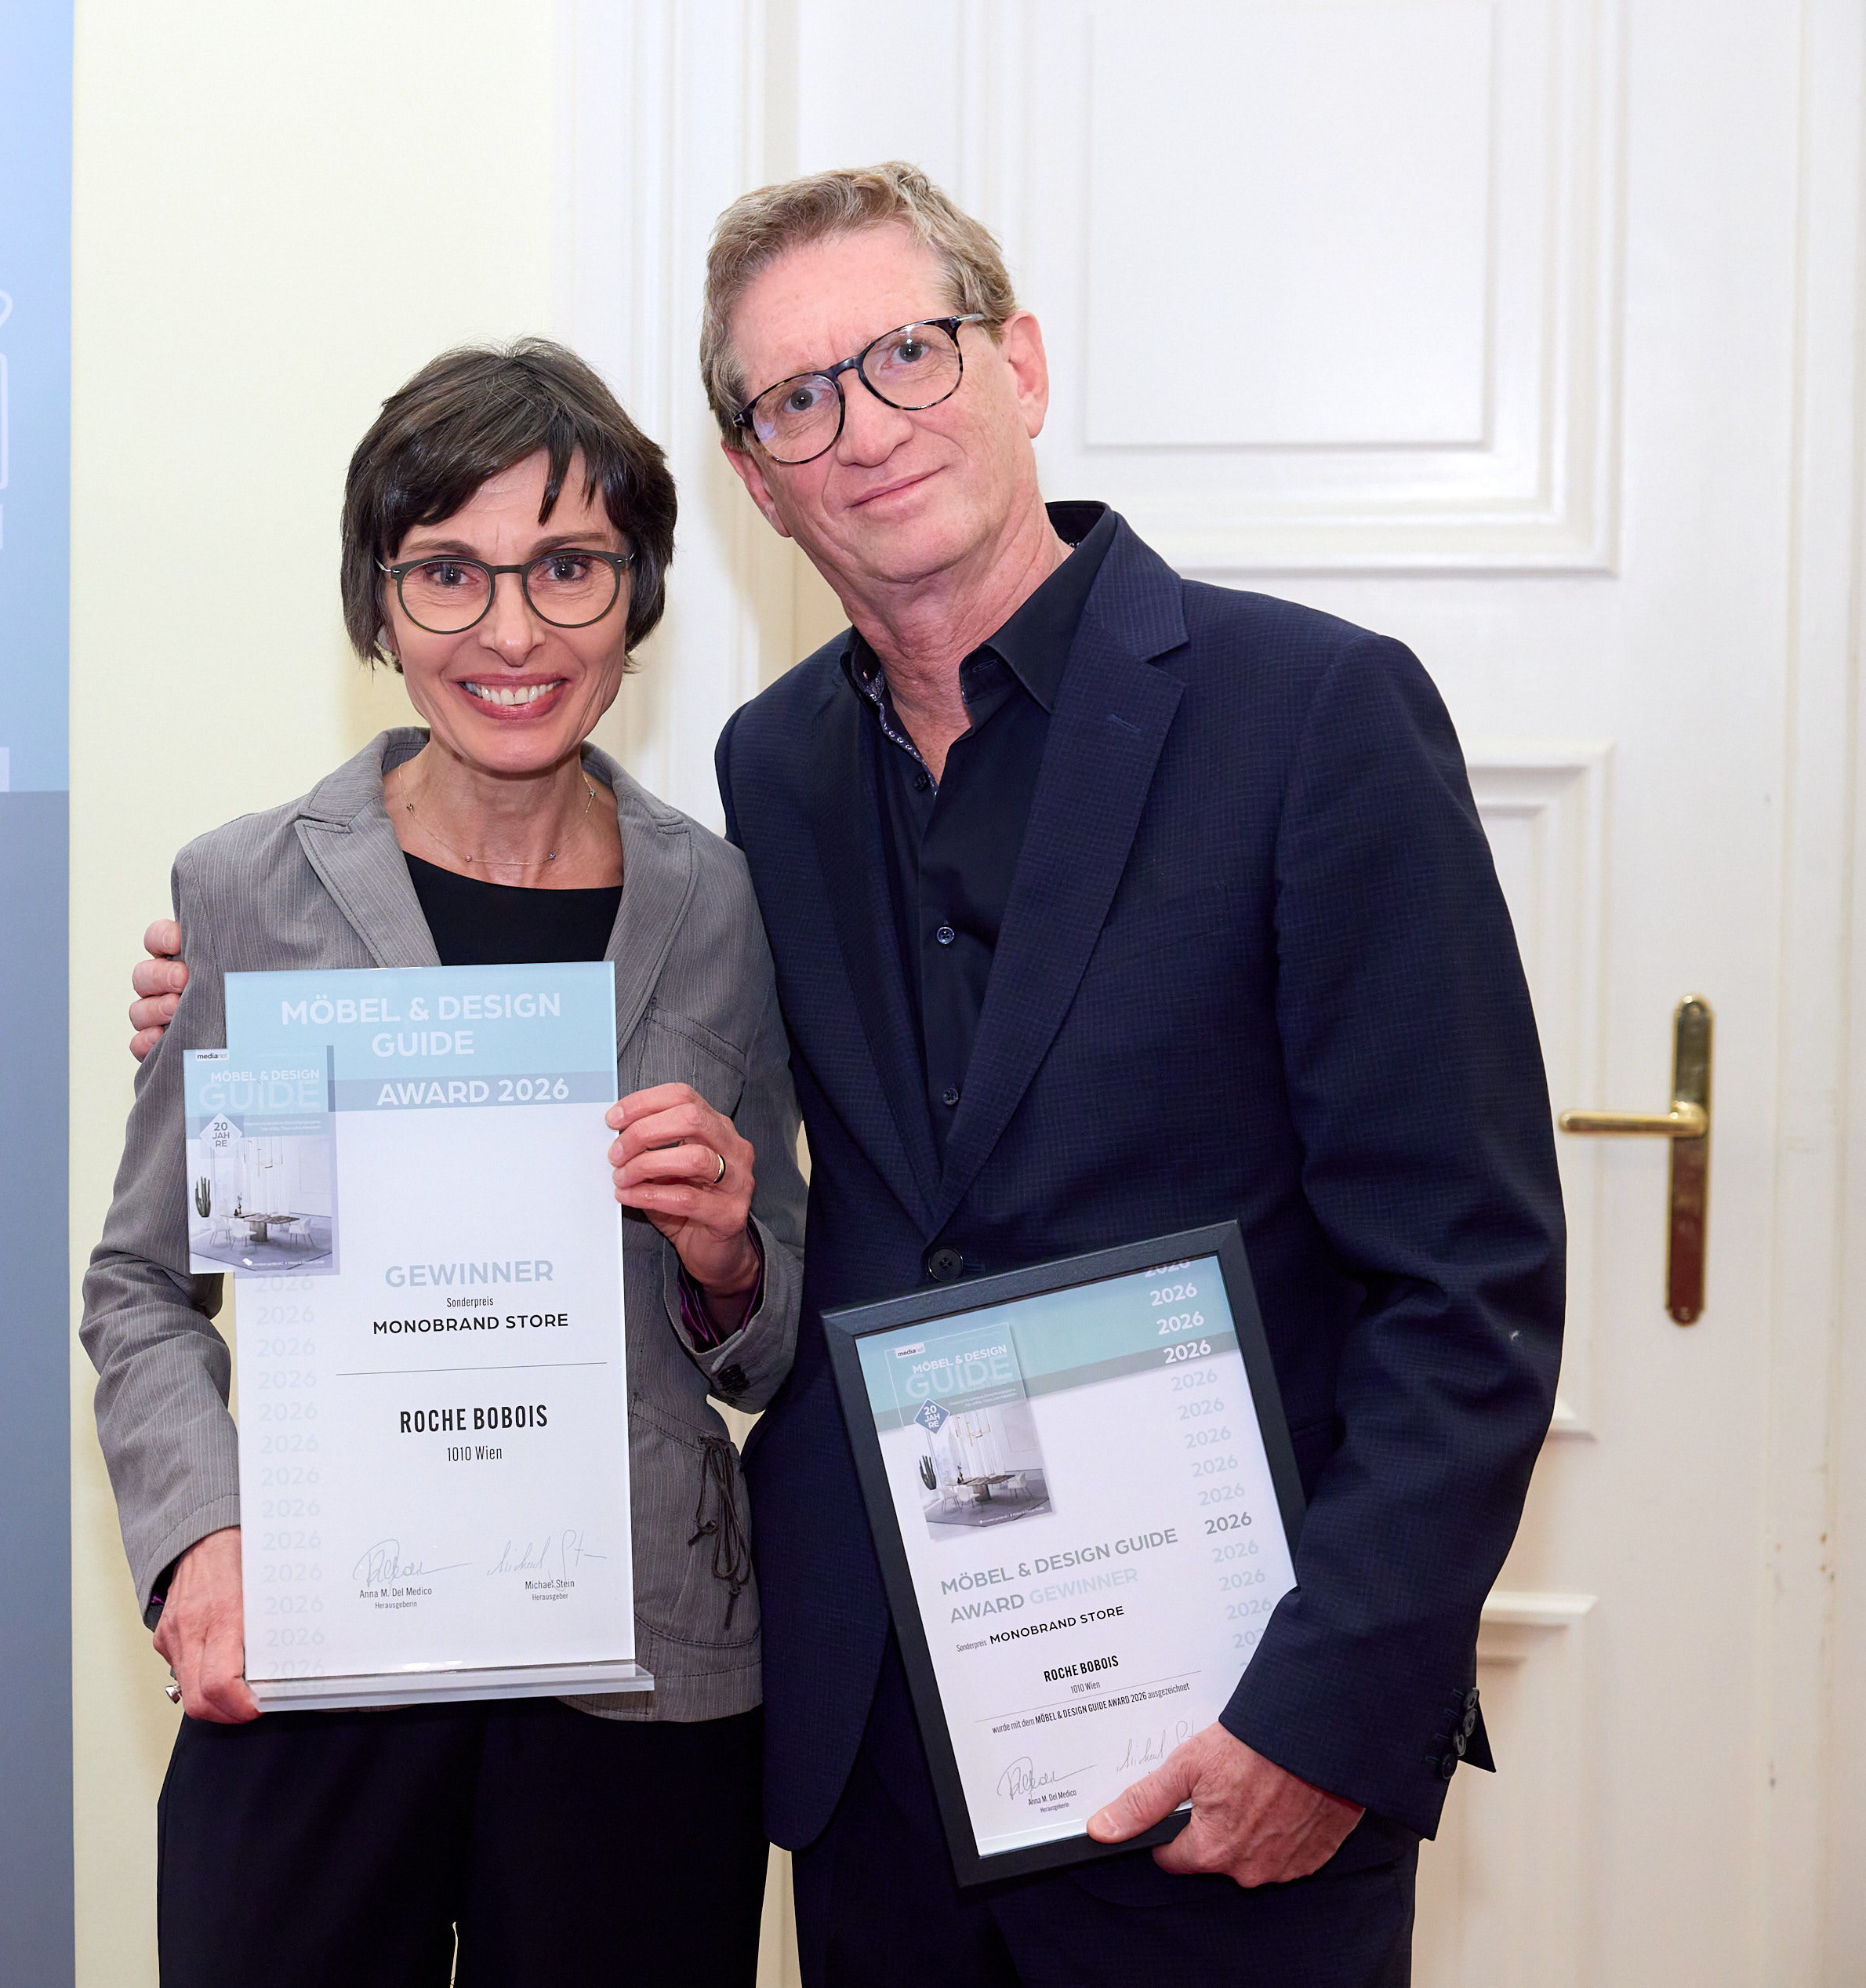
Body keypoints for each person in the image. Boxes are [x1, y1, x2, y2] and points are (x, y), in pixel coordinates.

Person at [130, 167, 1563, 1986]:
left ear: (1017, 364)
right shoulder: (775, 775)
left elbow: (1466, 1278)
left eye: (906, 354)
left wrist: (1332, 1713)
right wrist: (238, 1002)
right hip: (875, 1756)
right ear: (756, 476)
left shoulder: (1311, 715)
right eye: (797, 397)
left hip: (1219, 1728)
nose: (864, 427)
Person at [83, 338, 807, 1987]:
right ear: (381, 604)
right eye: (448, 572)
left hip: (638, 1673)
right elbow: (141, 1283)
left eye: (568, 567)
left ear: (635, 598)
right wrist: (201, 1539)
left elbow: (767, 1342)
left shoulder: (720, 905)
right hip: (320, 1648)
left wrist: (728, 1254)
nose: (511, 631)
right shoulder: (249, 891)